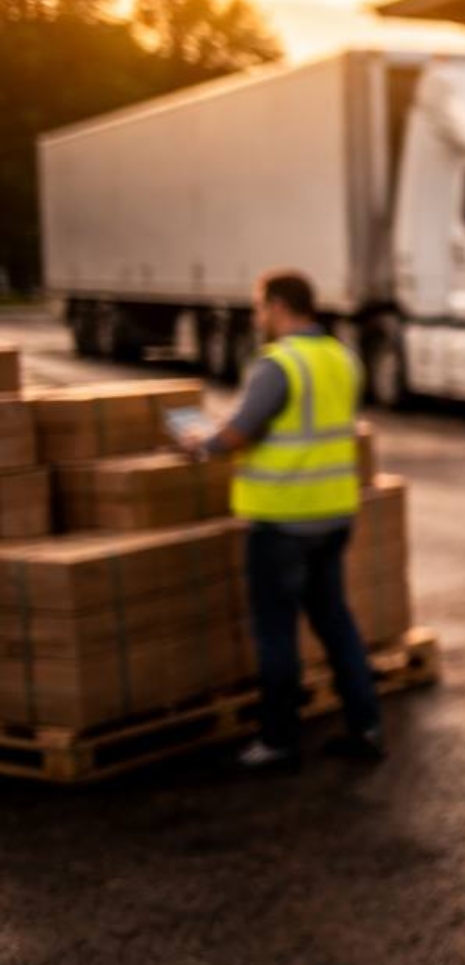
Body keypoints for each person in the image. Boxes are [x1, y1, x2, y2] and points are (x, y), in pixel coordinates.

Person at [181, 270, 384, 769]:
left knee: (276, 632)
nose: (257, 318)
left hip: (282, 519)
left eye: (259, 308)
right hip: (334, 513)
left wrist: (201, 444)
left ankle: (278, 740)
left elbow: (241, 431)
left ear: (277, 306)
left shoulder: (278, 364)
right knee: (335, 620)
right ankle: (365, 725)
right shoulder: (342, 357)